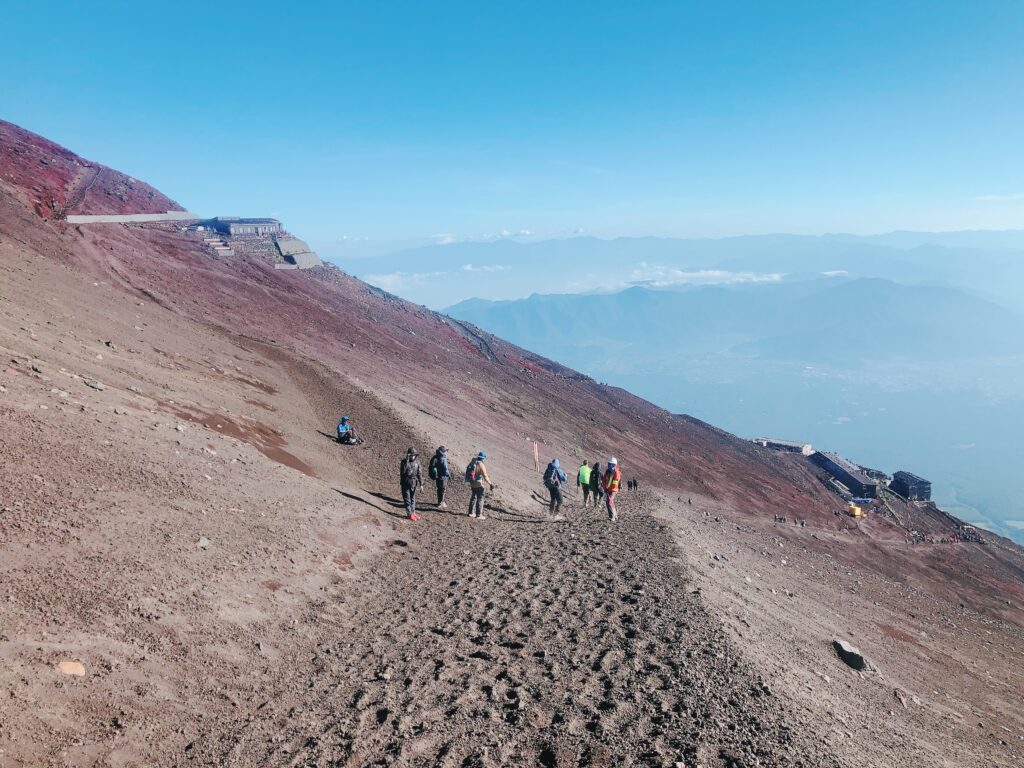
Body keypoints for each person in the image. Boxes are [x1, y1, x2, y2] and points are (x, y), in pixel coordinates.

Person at [466, 451, 493, 520]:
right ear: (483, 458)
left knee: (473, 497)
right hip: (479, 484)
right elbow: (485, 476)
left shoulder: (472, 462)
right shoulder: (481, 465)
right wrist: (490, 483)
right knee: (480, 499)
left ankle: (471, 512)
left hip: (472, 483)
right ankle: (478, 515)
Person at [399, 447, 422, 521]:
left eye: (414, 455)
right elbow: (403, 471)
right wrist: (407, 461)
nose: (413, 456)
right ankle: (409, 514)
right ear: (408, 455)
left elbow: (419, 473)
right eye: (411, 455)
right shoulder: (404, 462)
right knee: (407, 499)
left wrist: (421, 484)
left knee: (413, 499)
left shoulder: (417, 462)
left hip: (413, 483)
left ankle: (413, 512)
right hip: (405, 483)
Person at [603, 457, 622, 522]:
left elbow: (615, 483)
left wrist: (608, 489)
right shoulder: (607, 471)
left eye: (610, 464)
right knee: (610, 502)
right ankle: (615, 515)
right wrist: (605, 488)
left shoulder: (616, 473)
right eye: (608, 463)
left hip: (613, 490)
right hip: (607, 489)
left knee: (609, 501)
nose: (609, 465)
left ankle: (612, 517)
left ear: (614, 465)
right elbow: (604, 480)